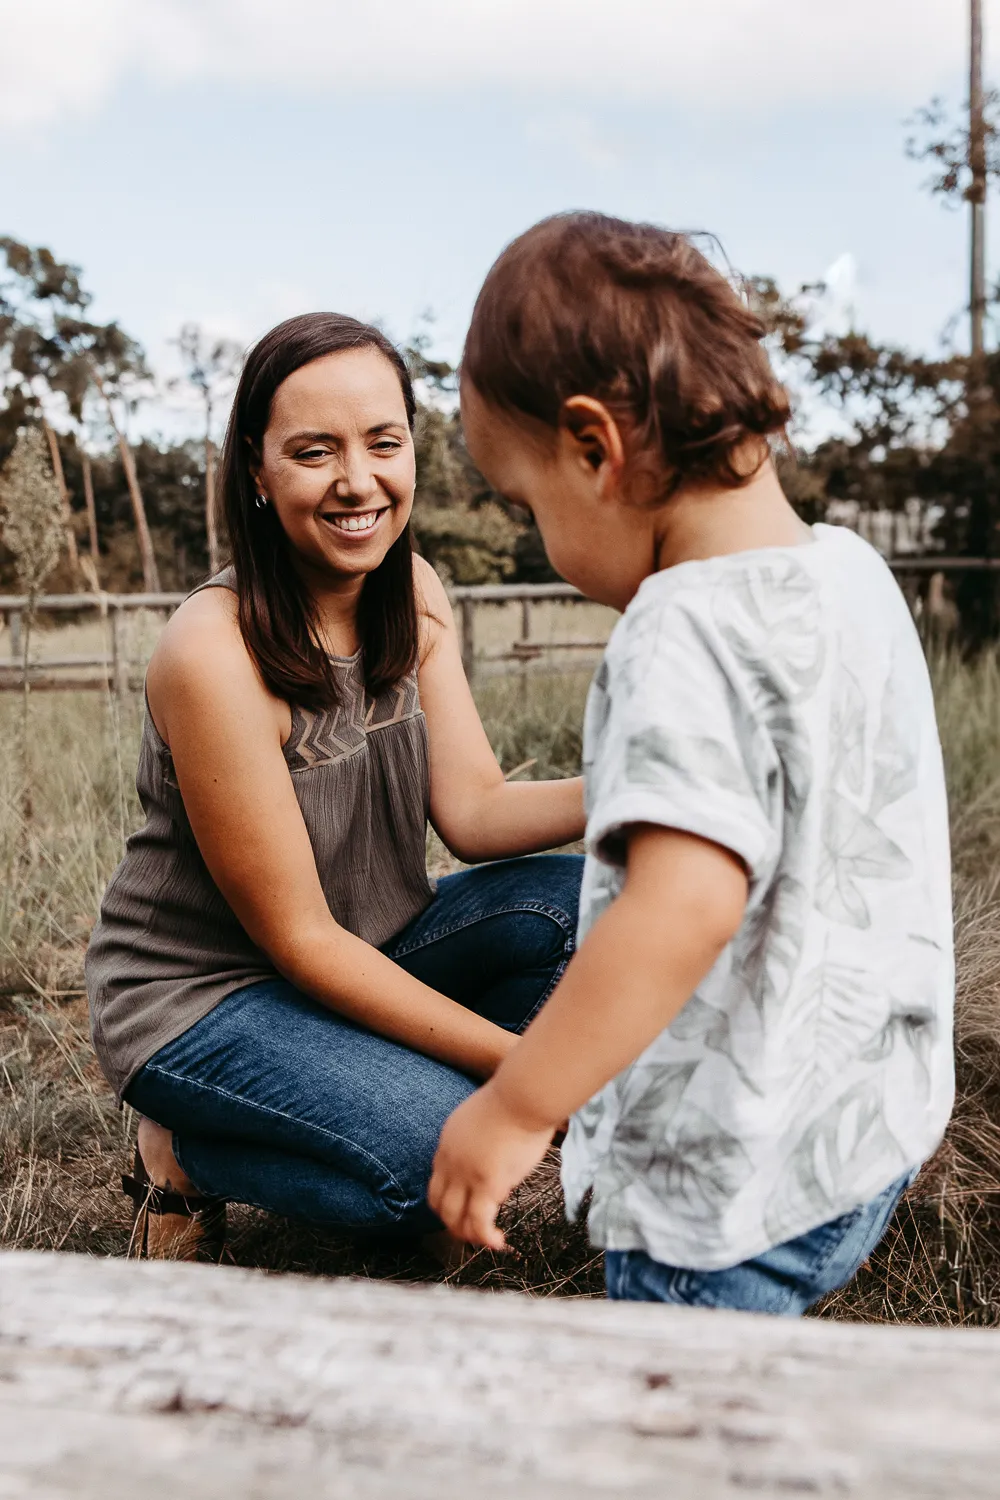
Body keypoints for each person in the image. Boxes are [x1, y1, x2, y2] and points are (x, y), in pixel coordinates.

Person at [428, 212, 955, 1314]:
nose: (538, 540)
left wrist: (517, 1106)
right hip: (860, 1138)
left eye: (526, 505)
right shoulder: (849, 576)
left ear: (593, 449)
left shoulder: (678, 630)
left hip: (719, 1199)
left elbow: (681, 907)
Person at [86, 311, 584, 1261]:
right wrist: (530, 1077)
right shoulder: (212, 653)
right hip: (203, 996)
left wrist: (645, 788)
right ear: (258, 473)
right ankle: (185, 1153)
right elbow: (302, 942)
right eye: (314, 451)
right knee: (448, 1158)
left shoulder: (417, 591)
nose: (358, 481)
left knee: (585, 904)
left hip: (371, 947)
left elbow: (475, 813)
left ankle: (379, 1093)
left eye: (382, 443)